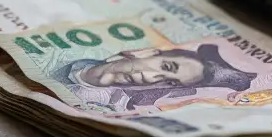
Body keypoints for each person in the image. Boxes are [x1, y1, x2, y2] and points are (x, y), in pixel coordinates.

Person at [49, 43, 255, 110]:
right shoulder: (60, 55)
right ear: (144, 52)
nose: (151, 78)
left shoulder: (111, 106)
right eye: (166, 66)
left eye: (169, 81)